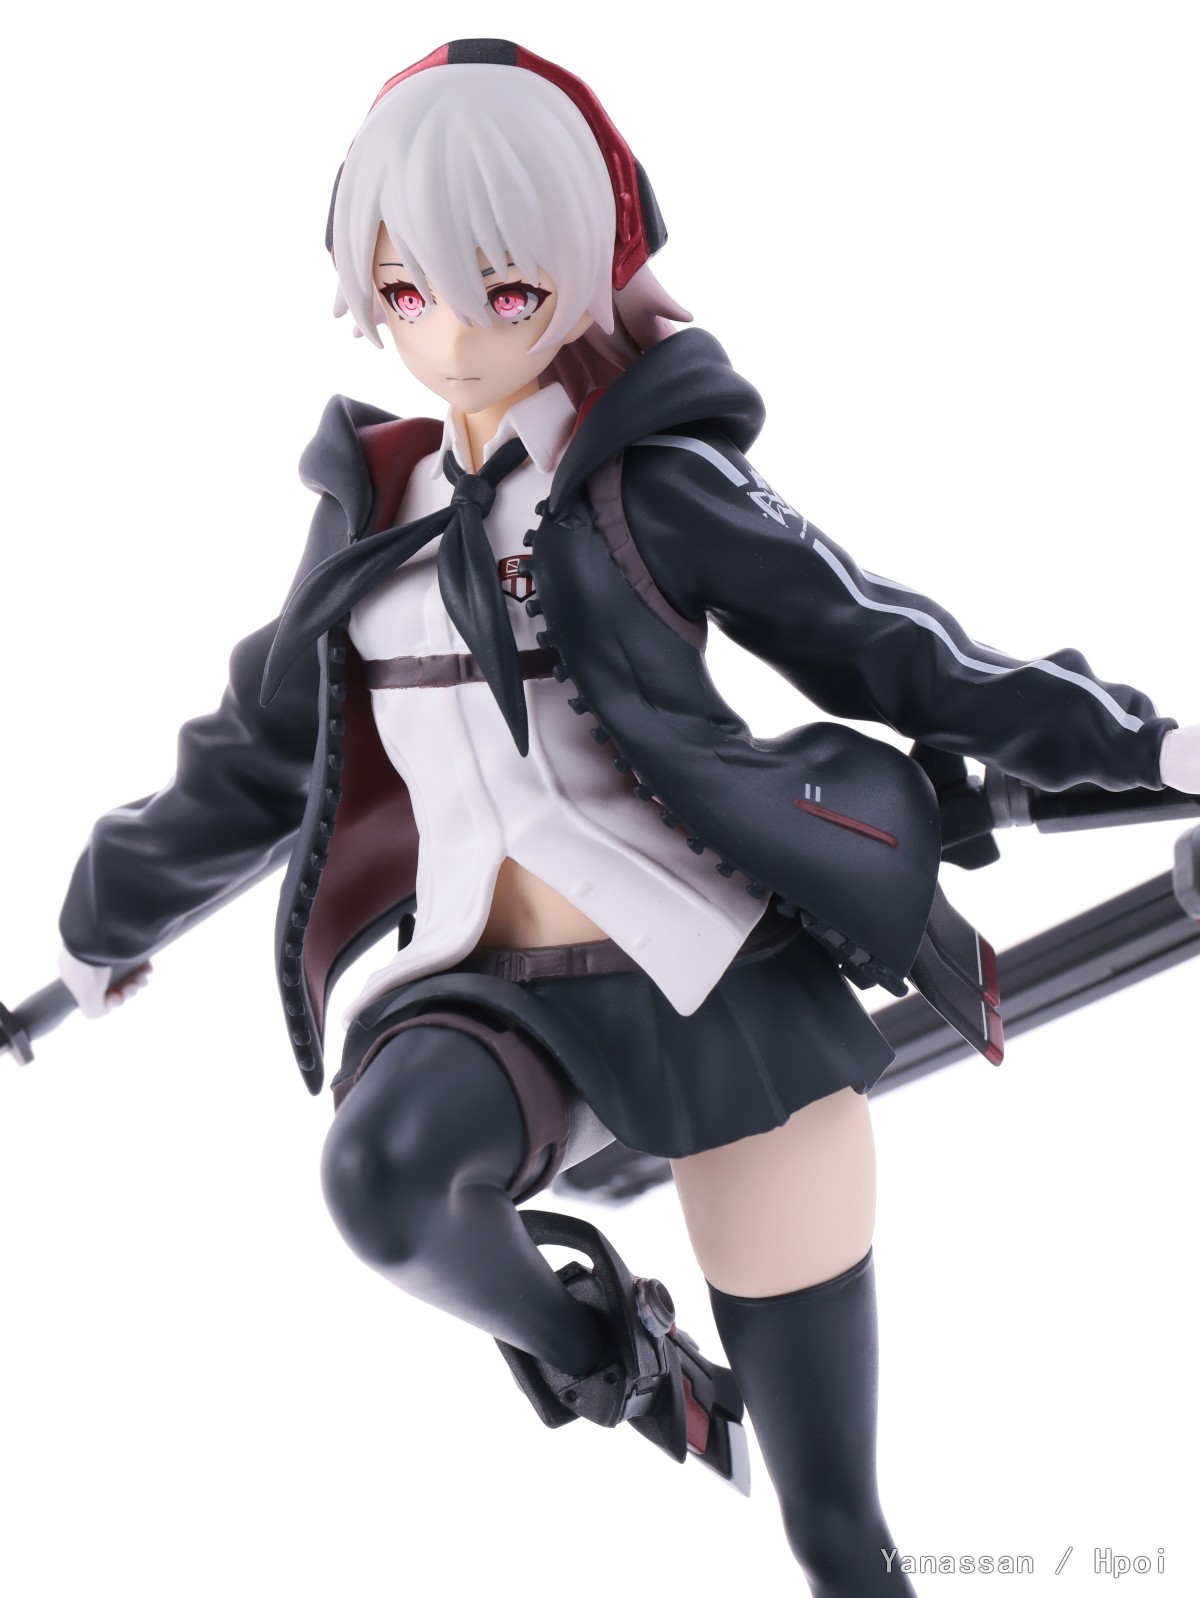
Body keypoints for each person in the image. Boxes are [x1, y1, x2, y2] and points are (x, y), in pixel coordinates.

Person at [46, 39, 1200, 1597]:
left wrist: (1145, 742)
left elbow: (890, 644)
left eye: (506, 290)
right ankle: (616, 1356)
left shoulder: (646, 485)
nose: (454, 334)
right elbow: (257, 758)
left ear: (588, 272)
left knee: (833, 1529)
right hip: (486, 995)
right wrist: (101, 922)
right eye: (408, 290)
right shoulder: (368, 528)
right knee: (381, 1180)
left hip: (711, 987)